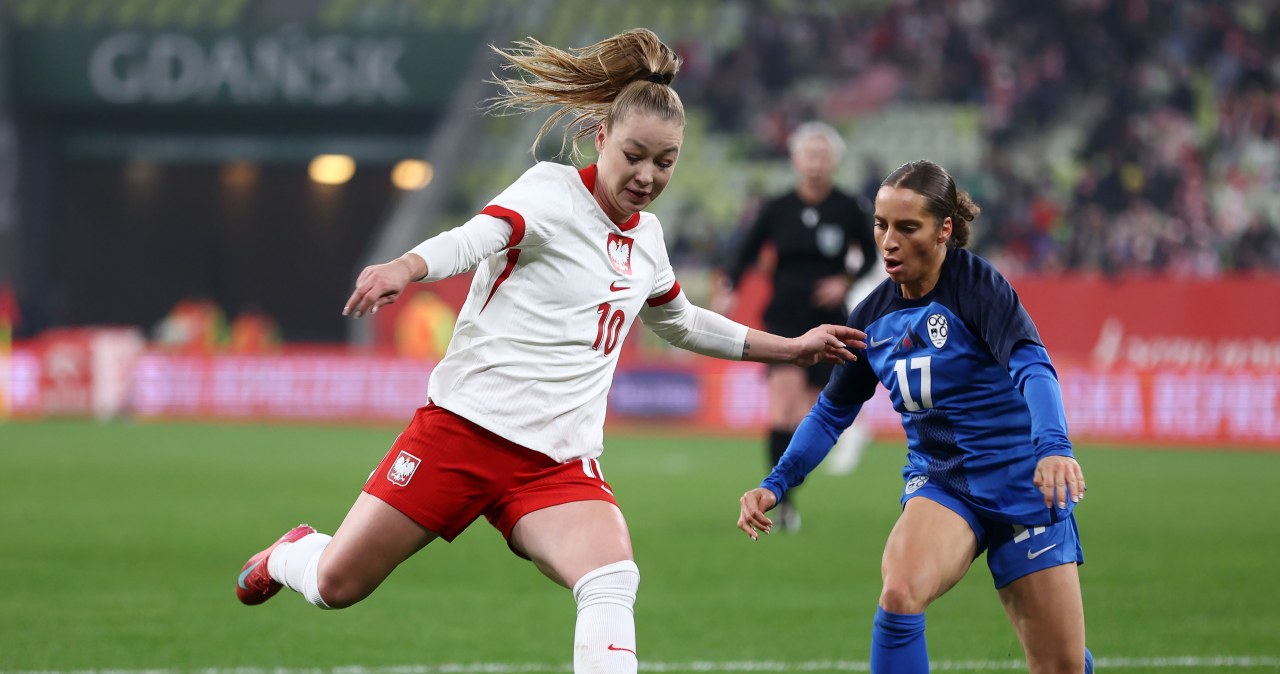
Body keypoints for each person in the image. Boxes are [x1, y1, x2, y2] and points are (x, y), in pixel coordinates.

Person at [233, 28, 865, 674]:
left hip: (555, 464)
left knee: (612, 578)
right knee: (339, 585)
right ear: (600, 140)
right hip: (461, 433)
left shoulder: (647, 239)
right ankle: (292, 553)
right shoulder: (551, 191)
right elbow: (475, 237)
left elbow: (680, 322)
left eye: (666, 161)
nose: (648, 176)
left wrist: (791, 346)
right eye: (635, 155)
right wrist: (408, 265)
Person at [737, 160, 1093, 674]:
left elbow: (1033, 367)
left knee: (1060, 666)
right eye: (881, 225)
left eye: (907, 227)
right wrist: (777, 483)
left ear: (944, 229)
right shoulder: (873, 316)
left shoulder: (977, 287)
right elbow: (832, 412)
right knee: (900, 593)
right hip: (943, 484)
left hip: (1021, 486)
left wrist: (1054, 448)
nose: (889, 241)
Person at [717, 121, 877, 530]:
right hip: (785, 320)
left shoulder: (847, 207)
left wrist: (845, 281)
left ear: (835, 161)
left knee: (810, 415)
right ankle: (779, 500)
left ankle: (787, 493)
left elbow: (875, 258)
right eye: (809, 154)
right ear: (795, 159)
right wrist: (730, 285)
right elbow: (746, 250)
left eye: (823, 155)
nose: (816, 162)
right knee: (783, 409)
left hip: (829, 324)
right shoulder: (778, 208)